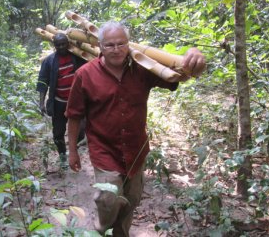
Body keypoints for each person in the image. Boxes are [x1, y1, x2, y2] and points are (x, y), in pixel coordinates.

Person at [65, 21, 206, 236]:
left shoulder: (143, 69)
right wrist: (72, 150)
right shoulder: (85, 74)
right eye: (110, 45)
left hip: (136, 149)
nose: (116, 49)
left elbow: (180, 74)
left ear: (129, 44)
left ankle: (121, 233)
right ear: (100, 46)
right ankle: (101, 230)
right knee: (108, 198)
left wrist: (193, 55)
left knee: (131, 200)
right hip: (104, 149)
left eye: (121, 44)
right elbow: (74, 115)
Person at [37, 33, 86, 171]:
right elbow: (42, 82)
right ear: (54, 46)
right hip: (59, 102)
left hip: (76, 102)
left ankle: (74, 153)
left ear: (68, 43)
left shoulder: (77, 57)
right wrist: (41, 103)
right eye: (58, 45)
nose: (61, 47)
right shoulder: (49, 61)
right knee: (58, 133)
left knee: (80, 132)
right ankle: (63, 156)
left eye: (64, 43)